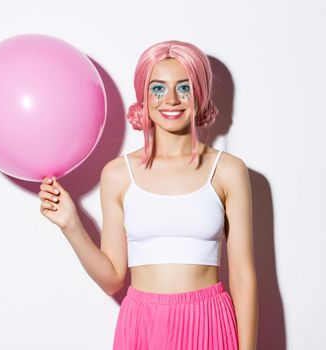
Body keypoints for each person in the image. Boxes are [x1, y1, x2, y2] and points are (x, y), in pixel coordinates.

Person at [39, 40, 258, 349]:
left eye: (184, 88)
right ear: (143, 97)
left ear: (201, 94)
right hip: (143, 325)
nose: (171, 100)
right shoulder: (117, 175)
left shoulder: (228, 171)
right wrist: (71, 225)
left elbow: (243, 276)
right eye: (158, 89)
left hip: (209, 320)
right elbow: (112, 278)